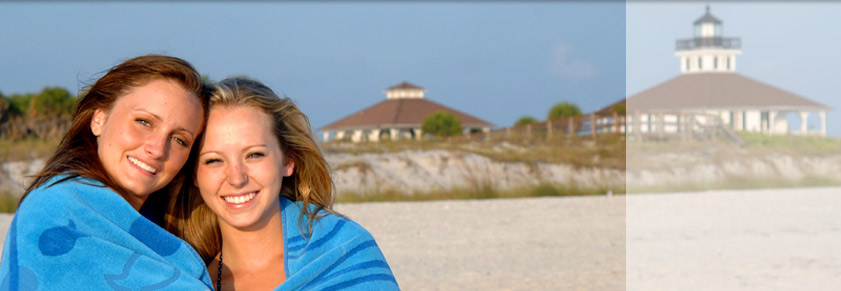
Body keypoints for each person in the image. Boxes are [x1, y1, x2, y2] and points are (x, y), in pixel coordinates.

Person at [0, 55, 214, 290]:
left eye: (178, 139)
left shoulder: (167, 229)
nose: (157, 149)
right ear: (99, 120)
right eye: (144, 122)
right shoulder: (56, 209)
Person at [167, 77, 399, 290]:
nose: (237, 179)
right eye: (214, 160)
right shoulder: (186, 282)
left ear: (287, 159)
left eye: (254, 155)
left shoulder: (344, 252)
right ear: (195, 174)